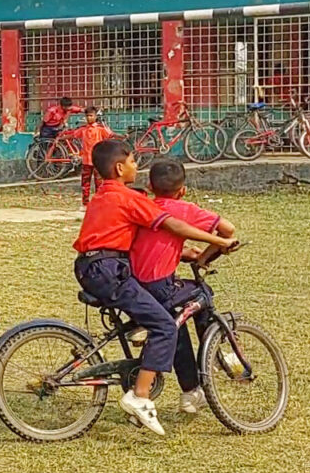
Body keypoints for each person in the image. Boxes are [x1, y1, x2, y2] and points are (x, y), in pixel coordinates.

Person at [73, 138, 238, 436]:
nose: (138, 166)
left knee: (153, 312)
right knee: (166, 326)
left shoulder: (103, 195)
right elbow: (173, 226)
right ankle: (140, 396)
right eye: (135, 161)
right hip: (109, 270)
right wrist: (218, 241)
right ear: (120, 167)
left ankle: (142, 329)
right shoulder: (129, 197)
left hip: (92, 266)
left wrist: (184, 253)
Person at [130, 160, 238, 415]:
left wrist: (180, 253)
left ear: (149, 185)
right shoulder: (184, 209)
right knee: (202, 295)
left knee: (176, 321)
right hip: (159, 285)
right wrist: (204, 258)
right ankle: (207, 361)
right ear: (183, 190)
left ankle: (191, 388)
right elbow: (228, 230)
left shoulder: (144, 206)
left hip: (134, 284)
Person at [76, 106, 115, 207]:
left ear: (95, 116)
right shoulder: (83, 129)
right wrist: (61, 137)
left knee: (99, 183)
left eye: (91, 116)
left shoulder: (100, 129)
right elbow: (73, 135)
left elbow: (110, 135)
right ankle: (85, 203)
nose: (89, 118)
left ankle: (99, 203)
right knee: (85, 183)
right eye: (87, 116)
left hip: (97, 160)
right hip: (86, 160)